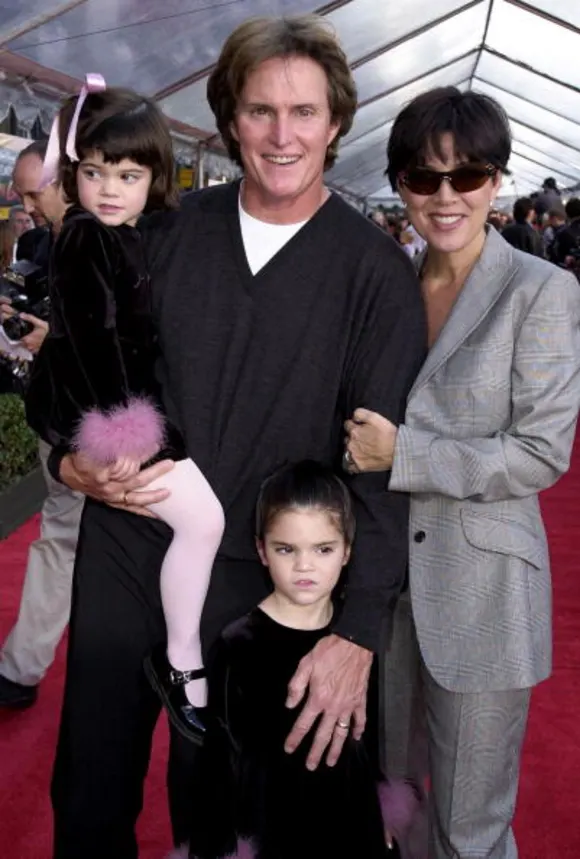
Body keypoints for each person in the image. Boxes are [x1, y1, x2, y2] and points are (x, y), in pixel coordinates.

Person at [46, 15, 426, 858]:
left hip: (259, 586)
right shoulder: (161, 232)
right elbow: (77, 363)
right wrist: (69, 461)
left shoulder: (376, 276)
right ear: (228, 119)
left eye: (303, 113)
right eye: (260, 111)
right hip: (123, 546)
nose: (281, 135)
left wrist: (357, 627)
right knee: (88, 786)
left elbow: (381, 475)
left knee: (220, 814)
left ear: (336, 123)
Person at [344, 86, 580, 859]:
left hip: (483, 595)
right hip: (384, 587)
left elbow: (542, 450)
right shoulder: (389, 283)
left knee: (471, 827)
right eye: (422, 177)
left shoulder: (541, 291)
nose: (445, 196)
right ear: (400, 184)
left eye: (467, 175)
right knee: (399, 805)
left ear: (497, 180)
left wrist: (403, 455)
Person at [26, 78, 225, 740]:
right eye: (94, 172)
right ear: (74, 172)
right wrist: (131, 432)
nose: (110, 188)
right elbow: (94, 344)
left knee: (199, 524)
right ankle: (181, 660)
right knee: (203, 521)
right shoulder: (88, 239)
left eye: (128, 174)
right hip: (114, 423)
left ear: (153, 178)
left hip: (118, 416)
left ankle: (181, 658)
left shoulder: (123, 235)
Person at [177, 461, 415, 859]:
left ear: (347, 553)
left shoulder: (357, 646)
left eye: (323, 549)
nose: (305, 566)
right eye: (286, 549)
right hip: (275, 832)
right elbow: (218, 766)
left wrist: (382, 808)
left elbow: (372, 737)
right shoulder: (238, 645)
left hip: (352, 824)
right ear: (262, 551)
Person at [0, 141, 84, 710]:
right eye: (22, 193)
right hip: (52, 417)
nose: (27, 204)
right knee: (60, 537)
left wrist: (50, 340)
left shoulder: (115, 241)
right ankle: (20, 669)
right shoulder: (37, 240)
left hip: (107, 427)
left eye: (37, 192)